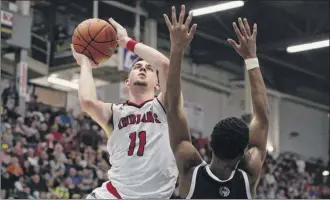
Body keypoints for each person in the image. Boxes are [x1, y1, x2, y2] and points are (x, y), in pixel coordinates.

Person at [164, 5, 269, 199]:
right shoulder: (249, 174)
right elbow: (262, 118)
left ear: (210, 144)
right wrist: (251, 58)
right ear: (241, 155)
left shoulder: (189, 169)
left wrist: (177, 49)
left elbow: (172, 107)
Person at [70, 16, 178, 199]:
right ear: (127, 82)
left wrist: (126, 42)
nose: (143, 69)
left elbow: (165, 64)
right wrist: (85, 63)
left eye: (149, 69)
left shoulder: (164, 105)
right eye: (137, 67)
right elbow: (87, 101)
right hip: (115, 194)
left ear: (157, 85)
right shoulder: (115, 113)